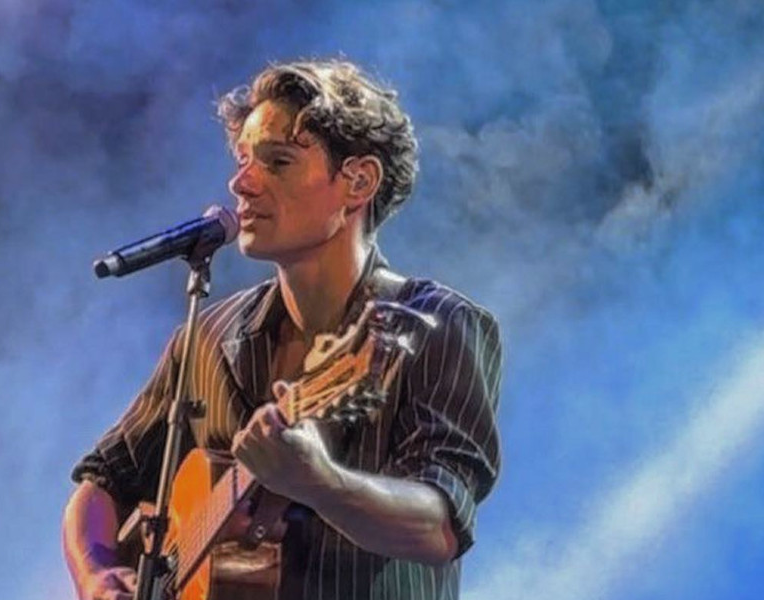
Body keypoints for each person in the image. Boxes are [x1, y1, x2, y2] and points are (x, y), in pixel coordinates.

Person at [63, 59, 503, 600]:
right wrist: (98, 574)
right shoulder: (207, 335)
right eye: (243, 160)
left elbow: (441, 526)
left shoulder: (434, 323)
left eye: (278, 161)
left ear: (359, 181)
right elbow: (102, 480)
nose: (241, 183)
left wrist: (320, 482)